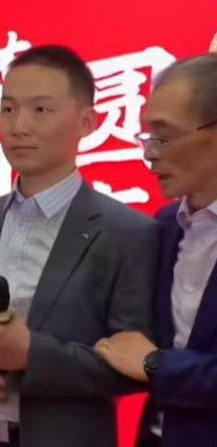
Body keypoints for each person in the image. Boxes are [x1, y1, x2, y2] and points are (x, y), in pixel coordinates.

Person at [0, 45, 158, 447]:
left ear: (87, 122)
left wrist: (31, 355)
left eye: (41, 109)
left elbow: (135, 366)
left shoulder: (127, 232)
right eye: (8, 109)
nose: (19, 126)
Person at [95, 54, 217, 447]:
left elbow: (149, 357)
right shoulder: (164, 226)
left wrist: (156, 364)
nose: (149, 153)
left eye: (164, 137)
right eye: (148, 137)